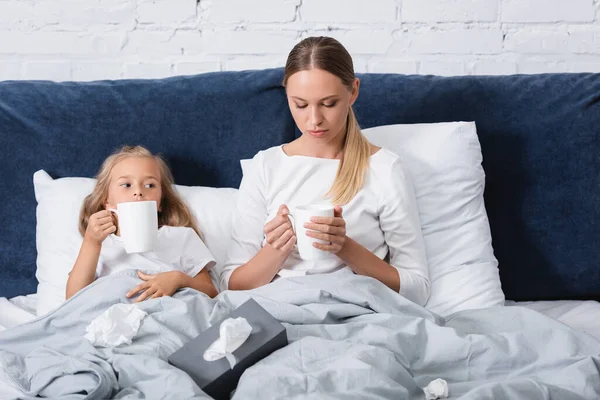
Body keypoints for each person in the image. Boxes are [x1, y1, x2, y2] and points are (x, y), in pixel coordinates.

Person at [222, 36, 430, 306]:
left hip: (357, 314)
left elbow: (417, 289)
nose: (314, 119)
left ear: (352, 91)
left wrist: (345, 247)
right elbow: (230, 285)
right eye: (300, 104)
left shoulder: (384, 169)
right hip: (280, 313)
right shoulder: (265, 166)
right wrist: (275, 251)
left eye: (329, 103)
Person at [66, 145, 218, 301]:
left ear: (160, 202)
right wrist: (91, 242)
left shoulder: (181, 237)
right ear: (106, 200)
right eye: (126, 185)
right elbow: (73, 300)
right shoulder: (98, 245)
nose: (138, 191)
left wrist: (179, 279)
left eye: (149, 185)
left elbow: (211, 292)